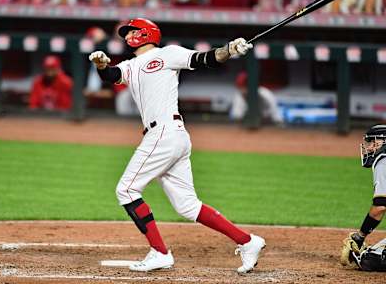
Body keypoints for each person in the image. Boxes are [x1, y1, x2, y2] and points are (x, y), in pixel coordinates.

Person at [89, 18, 265, 273]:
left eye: (132, 31)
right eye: (126, 33)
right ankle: (248, 241)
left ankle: (160, 252)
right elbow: (111, 75)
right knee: (188, 206)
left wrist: (230, 49)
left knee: (126, 190)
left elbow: (205, 59)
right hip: (169, 136)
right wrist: (101, 64)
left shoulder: (168, 53)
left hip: (165, 133)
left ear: (147, 33)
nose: (127, 36)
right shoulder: (130, 65)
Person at [341, 124, 386, 271]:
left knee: (369, 259)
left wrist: (360, 236)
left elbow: (380, 206)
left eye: (372, 142)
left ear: (382, 142)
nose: (369, 147)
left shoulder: (383, 159)